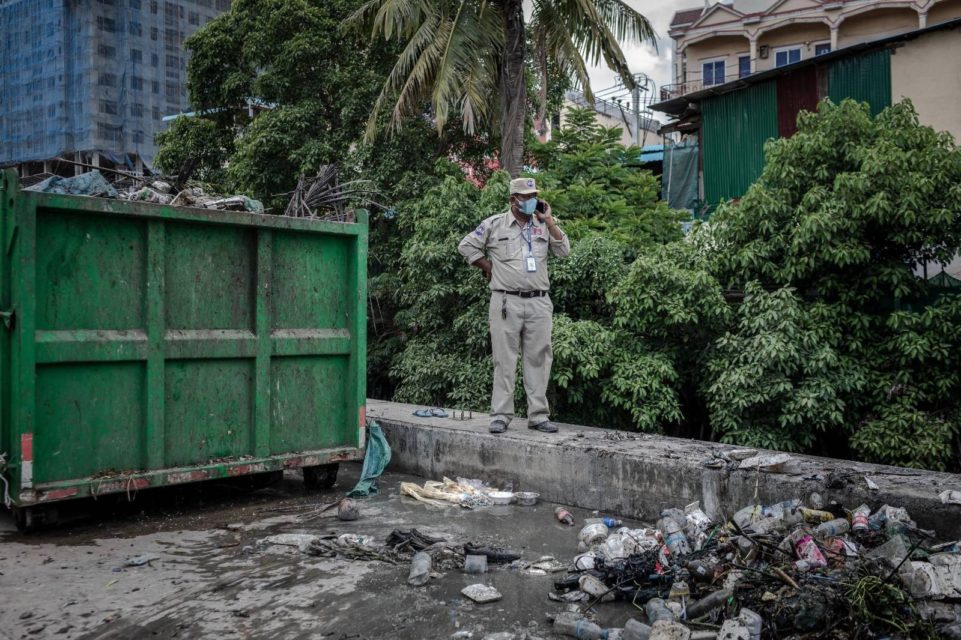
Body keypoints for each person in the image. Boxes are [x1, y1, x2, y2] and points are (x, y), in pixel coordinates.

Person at [458, 177, 571, 434]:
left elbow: (564, 251)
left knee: (539, 359)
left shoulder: (543, 224)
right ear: (513, 200)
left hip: (539, 302)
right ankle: (501, 415)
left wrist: (550, 221)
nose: (531, 200)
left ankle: (538, 415)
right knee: (504, 359)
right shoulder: (495, 224)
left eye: (534, 196)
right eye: (525, 197)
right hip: (506, 301)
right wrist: (487, 267)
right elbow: (465, 246)